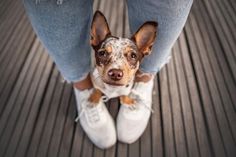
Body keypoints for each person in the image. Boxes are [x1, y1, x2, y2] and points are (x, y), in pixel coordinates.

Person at [23, 0, 193, 149]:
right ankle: (84, 86)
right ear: (95, 40)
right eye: (104, 53)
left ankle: (142, 81)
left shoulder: (144, 45)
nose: (116, 70)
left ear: (145, 48)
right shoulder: (98, 44)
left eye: (133, 55)